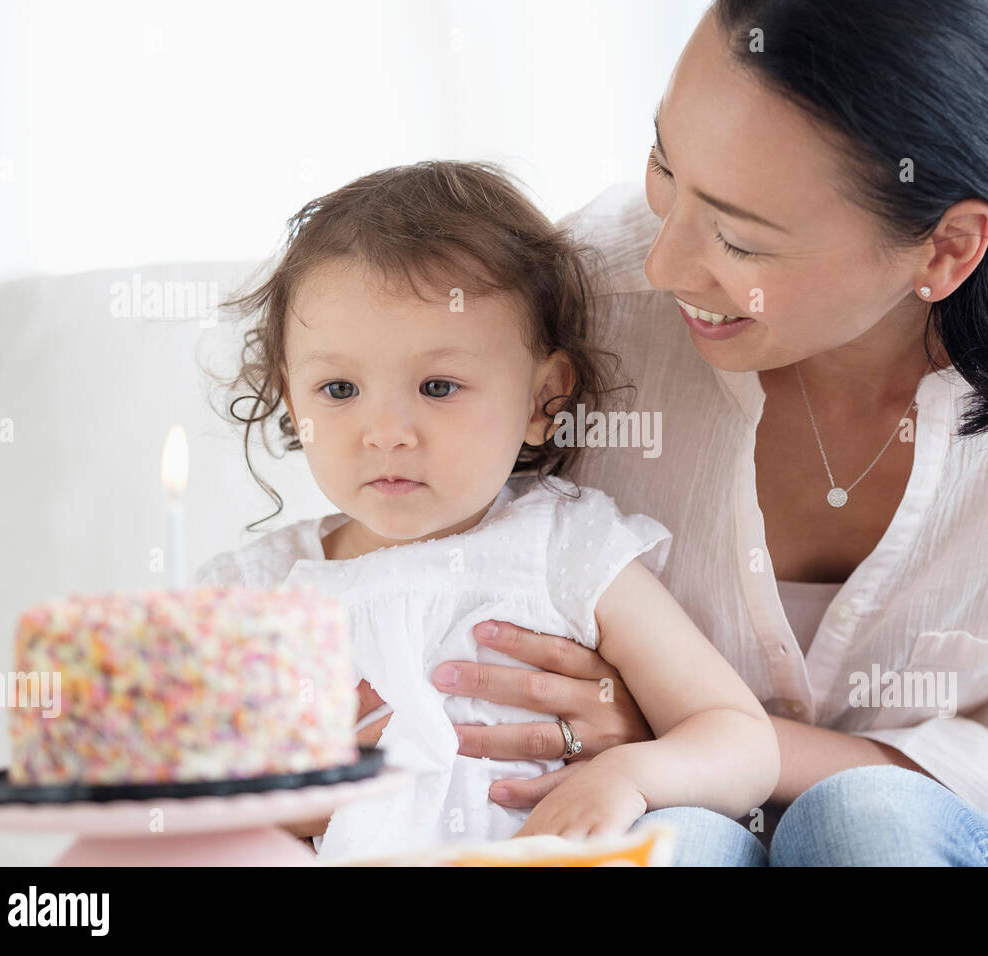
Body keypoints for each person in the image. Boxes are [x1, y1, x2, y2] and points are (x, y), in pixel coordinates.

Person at [366, 0, 988, 866]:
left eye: (741, 240)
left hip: (951, 840)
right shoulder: (575, 307)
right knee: (683, 841)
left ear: (947, 249)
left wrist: (700, 740)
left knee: (865, 826)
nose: (663, 262)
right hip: (649, 813)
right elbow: (423, 578)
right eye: (664, 168)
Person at [192, 160, 780, 861]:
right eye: (339, 388)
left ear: (543, 400)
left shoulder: (566, 549)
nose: (385, 432)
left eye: (438, 385)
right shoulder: (260, 591)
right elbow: (179, 808)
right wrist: (283, 801)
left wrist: (630, 774)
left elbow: (741, 740)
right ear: (292, 399)